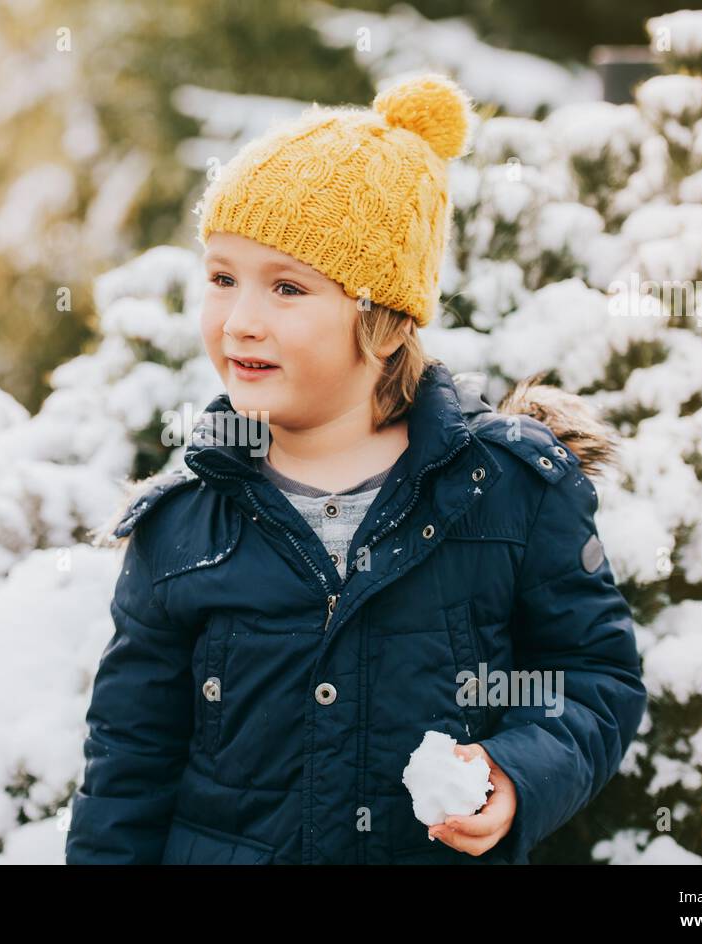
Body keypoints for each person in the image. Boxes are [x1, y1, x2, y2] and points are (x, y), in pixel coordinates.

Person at [65, 73, 647, 864]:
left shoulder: (506, 494)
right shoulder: (182, 528)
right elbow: (128, 764)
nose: (241, 320)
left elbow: (589, 677)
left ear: (380, 320)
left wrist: (515, 771)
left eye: (288, 287)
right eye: (222, 277)